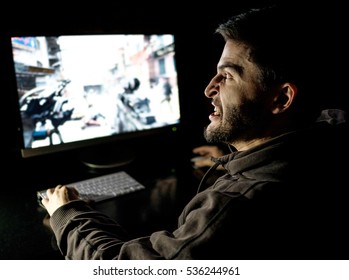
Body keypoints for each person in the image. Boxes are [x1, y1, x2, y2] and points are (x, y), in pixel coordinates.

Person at [41, 4, 348, 260]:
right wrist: (237, 158)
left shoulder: (236, 205)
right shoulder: (327, 136)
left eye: (227, 76)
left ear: (281, 99)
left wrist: (67, 212)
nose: (209, 89)